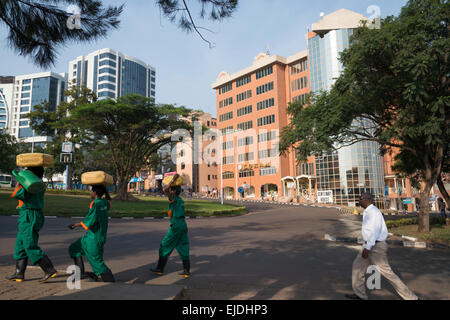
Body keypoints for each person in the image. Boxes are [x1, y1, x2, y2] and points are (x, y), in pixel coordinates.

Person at [346, 193, 418, 300]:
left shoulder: (373, 212)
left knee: (387, 273)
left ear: (367, 199)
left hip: (375, 247)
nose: (358, 201)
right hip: (369, 244)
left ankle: (411, 297)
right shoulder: (368, 211)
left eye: (360, 198)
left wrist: (368, 247)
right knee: (358, 267)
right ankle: (360, 294)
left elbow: (374, 231)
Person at [6, 166, 57, 283]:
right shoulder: (39, 184)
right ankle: (19, 273)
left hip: (30, 215)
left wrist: (20, 182)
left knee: (29, 245)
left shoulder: (32, 185)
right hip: (29, 215)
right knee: (20, 245)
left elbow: (18, 194)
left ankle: (49, 269)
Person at [68, 185, 115, 282]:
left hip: (93, 239)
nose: (90, 193)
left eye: (91, 191)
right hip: (96, 236)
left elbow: (90, 220)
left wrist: (76, 225)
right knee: (74, 248)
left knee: (98, 264)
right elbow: (108, 204)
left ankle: (112, 284)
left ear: (95, 193)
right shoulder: (105, 202)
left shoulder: (95, 204)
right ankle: (80, 273)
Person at [150, 174, 191, 278]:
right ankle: (186, 270)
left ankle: (160, 268)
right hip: (183, 225)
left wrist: (172, 179)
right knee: (183, 246)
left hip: (176, 226)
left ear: (173, 191)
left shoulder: (174, 199)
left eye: (171, 190)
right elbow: (167, 190)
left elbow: (165, 190)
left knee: (165, 245)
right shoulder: (181, 201)